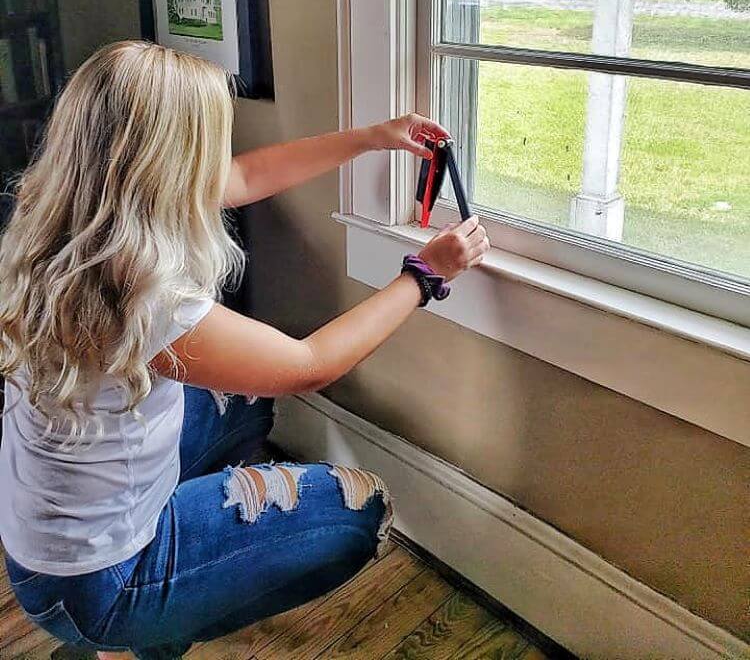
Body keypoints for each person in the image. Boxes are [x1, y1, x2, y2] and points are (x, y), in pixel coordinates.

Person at [0, 41, 489, 660]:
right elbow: (310, 366)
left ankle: (146, 604)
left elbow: (247, 177)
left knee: (245, 406)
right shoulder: (146, 301)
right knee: (359, 512)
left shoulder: (51, 216)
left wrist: (372, 136)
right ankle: (131, 631)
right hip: (99, 578)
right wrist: (422, 276)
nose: (217, 163)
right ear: (166, 164)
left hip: (43, 543)